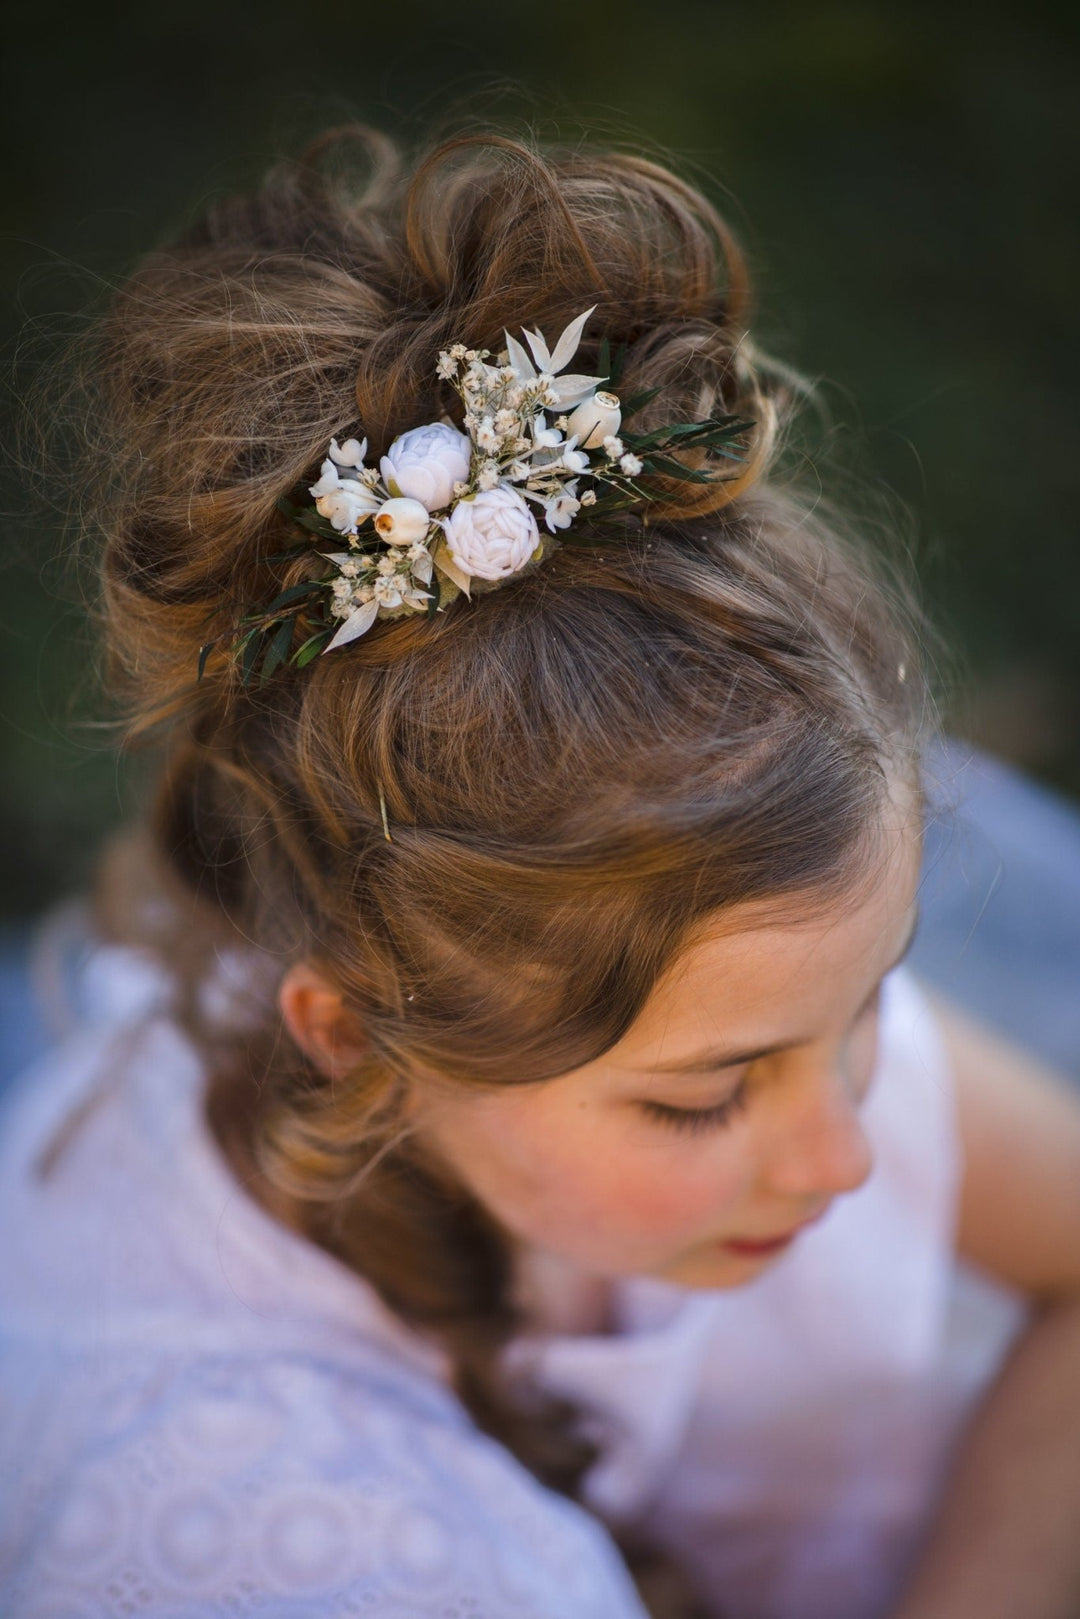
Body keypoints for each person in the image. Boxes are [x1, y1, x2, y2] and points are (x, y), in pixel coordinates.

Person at [1, 125, 1079, 1619]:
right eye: (705, 1094)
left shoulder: (710, 991)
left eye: (866, 1010)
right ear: (355, 1036)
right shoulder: (293, 1534)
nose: (849, 1152)